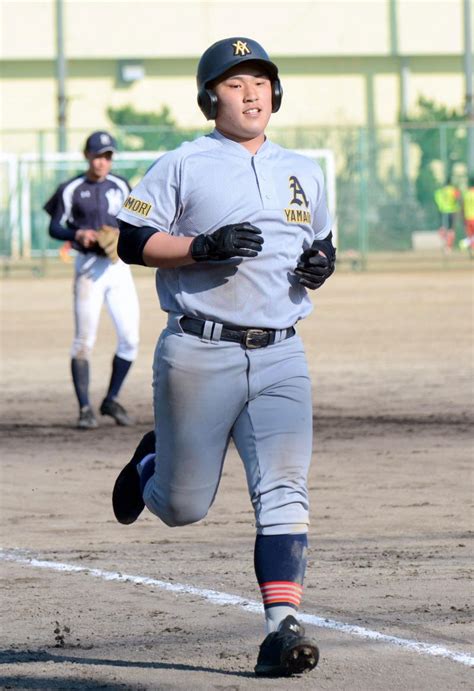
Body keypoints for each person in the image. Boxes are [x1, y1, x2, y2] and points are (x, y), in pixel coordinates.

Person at [112, 37, 336, 677]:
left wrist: (323, 264)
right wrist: (200, 246)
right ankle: (150, 460)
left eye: (261, 82)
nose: (252, 94)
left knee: (285, 488)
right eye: (236, 84)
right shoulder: (182, 163)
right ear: (212, 97)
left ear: (277, 93)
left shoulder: (305, 169)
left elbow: (321, 244)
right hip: (198, 350)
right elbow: (131, 240)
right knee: (183, 506)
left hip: (282, 353)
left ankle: (281, 625)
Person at [44, 131, 140, 429]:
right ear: (87, 156)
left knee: (131, 339)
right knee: (84, 341)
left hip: (118, 266)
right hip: (88, 269)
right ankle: (85, 408)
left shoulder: (122, 185)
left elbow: (136, 221)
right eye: (98, 155)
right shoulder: (72, 187)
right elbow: (54, 227)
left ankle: (111, 399)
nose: (102, 162)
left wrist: (123, 235)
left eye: (108, 156)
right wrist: (78, 234)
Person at [434, 177, 461, 252]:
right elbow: (458, 198)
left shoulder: (441, 191)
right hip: (451, 211)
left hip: (442, 211)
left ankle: (445, 242)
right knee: (451, 229)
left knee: (442, 228)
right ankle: (448, 245)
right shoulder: (453, 190)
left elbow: (437, 198)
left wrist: (441, 206)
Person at [462, 176, 474, 257]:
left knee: (470, 235)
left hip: (467, 217)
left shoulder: (466, 194)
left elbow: (463, 207)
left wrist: (462, 217)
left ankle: (471, 251)